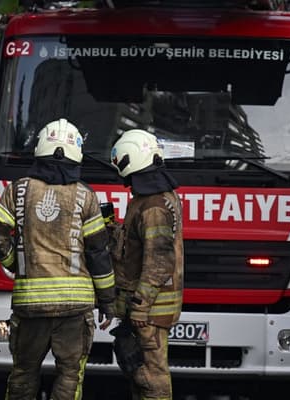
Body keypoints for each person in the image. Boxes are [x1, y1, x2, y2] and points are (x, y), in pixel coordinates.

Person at [0, 118, 115, 400]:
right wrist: (107, 300)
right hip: (74, 309)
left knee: (23, 372)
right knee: (70, 375)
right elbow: (97, 253)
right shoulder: (86, 196)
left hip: (30, 305)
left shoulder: (18, 190)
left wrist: (16, 265)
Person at [109, 129, 184, 400]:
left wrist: (140, 308)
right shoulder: (148, 198)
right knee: (138, 375)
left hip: (149, 311)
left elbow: (159, 261)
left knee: (151, 379)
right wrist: (114, 231)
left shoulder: (153, 205)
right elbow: (138, 247)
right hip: (146, 307)